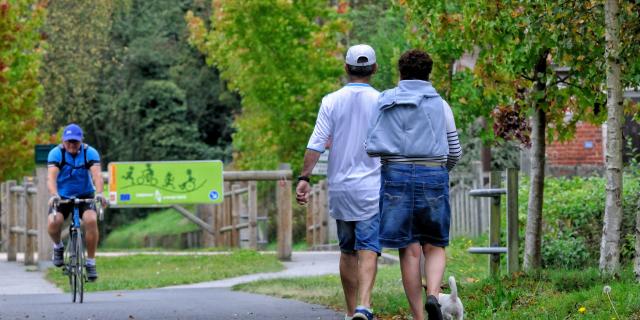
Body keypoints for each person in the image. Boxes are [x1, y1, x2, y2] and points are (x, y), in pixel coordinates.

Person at [366, 49, 462, 320]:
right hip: (432, 173)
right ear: (428, 73)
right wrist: (441, 173)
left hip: (396, 174)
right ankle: (433, 294)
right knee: (434, 244)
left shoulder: (385, 101)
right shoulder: (440, 105)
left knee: (408, 250)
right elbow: (454, 150)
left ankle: (419, 316)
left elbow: (371, 142)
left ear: (400, 73)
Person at [296, 44, 381, 320]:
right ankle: (365, 305)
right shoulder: (382, 101)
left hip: (341, 188)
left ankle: (349, 310)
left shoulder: (330, 101)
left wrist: (304, 178)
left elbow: (316, 143)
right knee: (369, 248)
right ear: (374, 69)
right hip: (373, 186)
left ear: (346, 68)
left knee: (347, 251)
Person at [47, 123, 107, 282]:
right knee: (54, 222)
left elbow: (97, 176)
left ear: (81, 141)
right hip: (62, 196)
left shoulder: (89, 153)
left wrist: (100, 193)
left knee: (91, 220)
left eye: (75, 142)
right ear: (63, 141)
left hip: (85, 195)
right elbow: (51, 178)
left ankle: (91, 262)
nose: (72, 145)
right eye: (68, 141)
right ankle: (58, 247)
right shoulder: (56, 153)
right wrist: (54, 195)